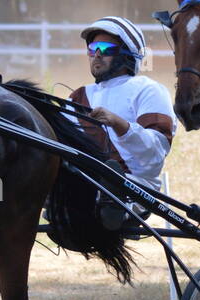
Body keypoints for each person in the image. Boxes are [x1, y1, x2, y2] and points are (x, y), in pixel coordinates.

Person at [67, 15, 176, 192]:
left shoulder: (149, 90)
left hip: (132, 187)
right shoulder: (78, 96)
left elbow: (153, 159)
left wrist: (119, 124)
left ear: (127, 53)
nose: (97, 54)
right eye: (93, 48)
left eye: (106, 48)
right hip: (80, 181)